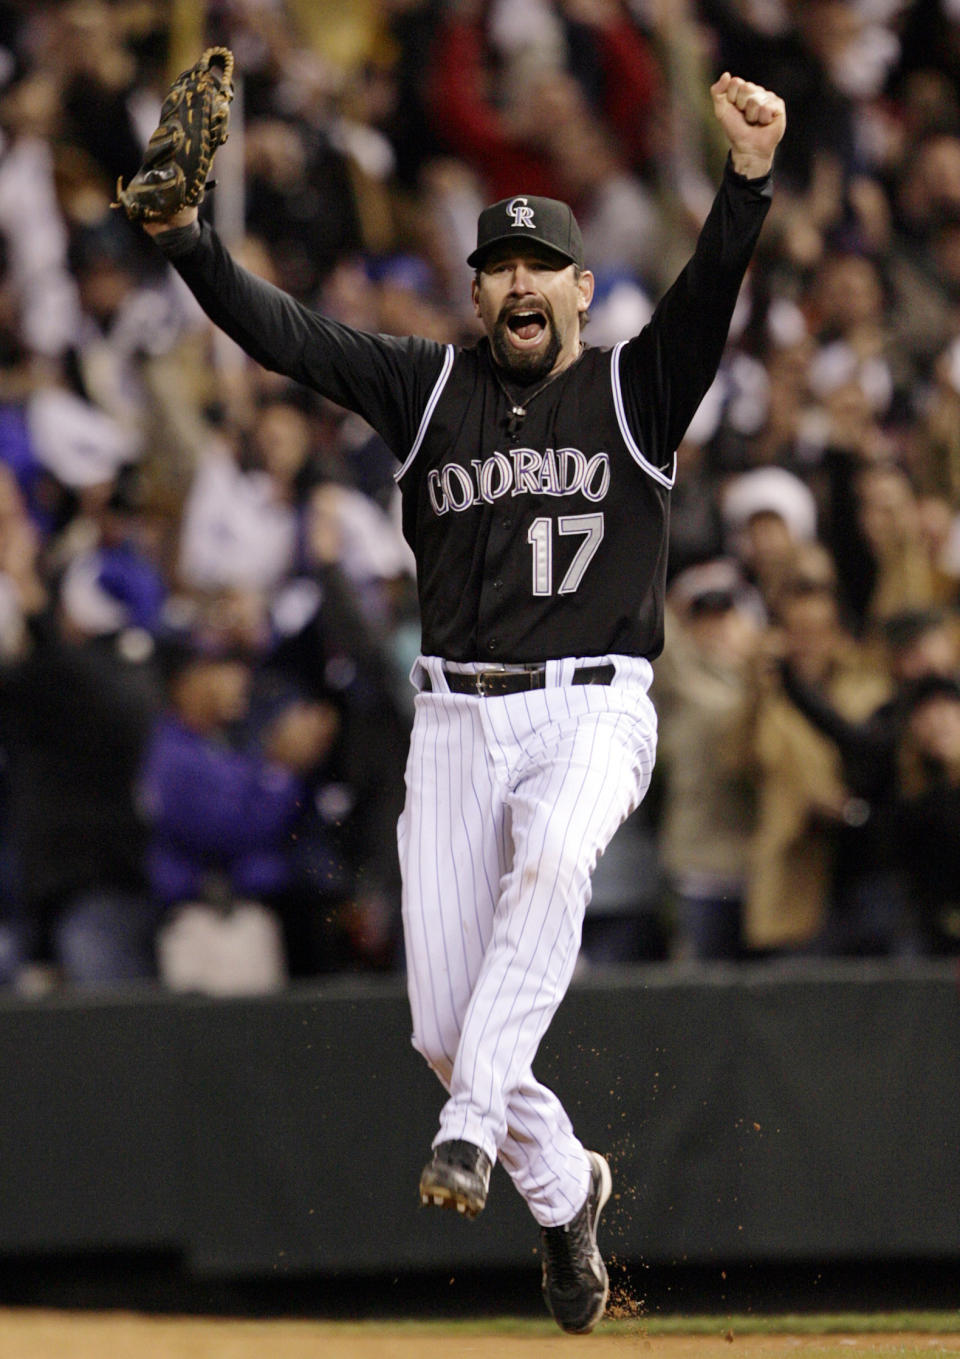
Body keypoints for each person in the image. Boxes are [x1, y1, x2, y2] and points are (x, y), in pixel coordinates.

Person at [136, 68, 785, 1335]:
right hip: (453, 722)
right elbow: (287, 334)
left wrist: (747, 182)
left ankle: (475, 1133)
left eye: (547, 265)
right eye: (501, 266)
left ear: (583, 293)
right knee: (444, 1022)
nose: (523, 283)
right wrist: (186, 243)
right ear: (475, 290)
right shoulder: (428, 390)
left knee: (550, 863)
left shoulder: (638, 392)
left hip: (594, 712)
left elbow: (709, 291)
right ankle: (567, 1197)